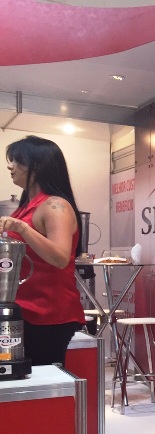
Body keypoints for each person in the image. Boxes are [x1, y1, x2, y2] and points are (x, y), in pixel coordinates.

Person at [4, 136, 85, 366]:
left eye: (17, 161)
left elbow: (60, 257)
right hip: (24, 311)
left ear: (37, 166)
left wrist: (22, 228)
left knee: (42, 380)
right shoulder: (26, 208)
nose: (10, 166)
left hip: (49, 315)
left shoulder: (55, 206)